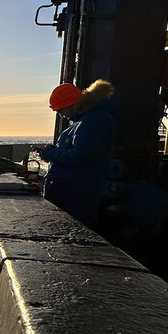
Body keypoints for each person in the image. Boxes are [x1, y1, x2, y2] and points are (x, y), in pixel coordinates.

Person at [38, 79, 116, 228]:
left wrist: (49, 153)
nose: (61, 115)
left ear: (71, 103)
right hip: (72, 195)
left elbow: (80, 157)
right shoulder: (86, 121)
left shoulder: (95, 120)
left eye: (61, 110)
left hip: (75, 197)